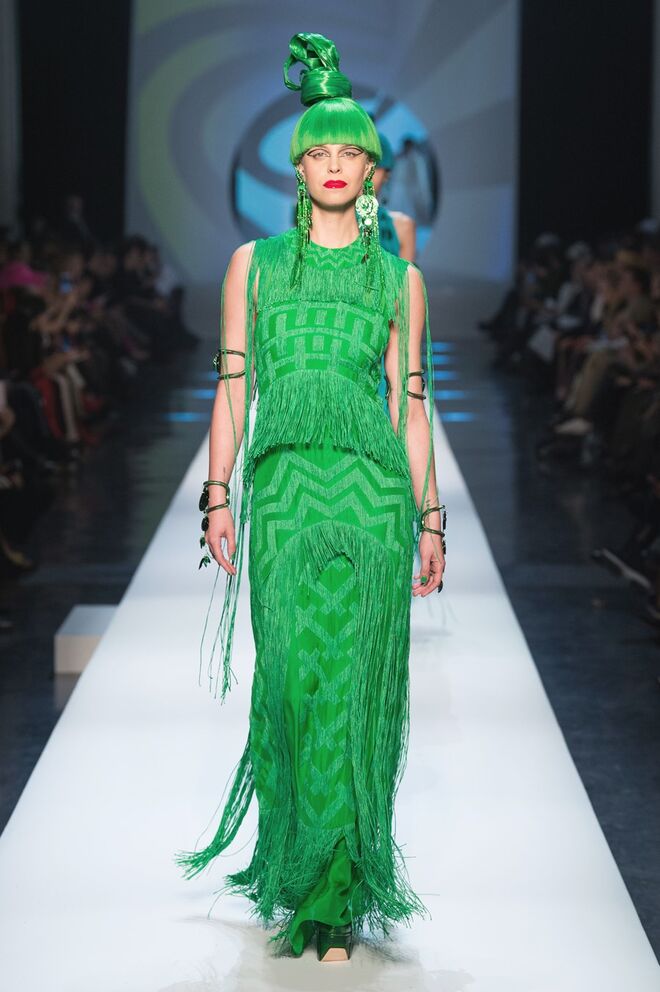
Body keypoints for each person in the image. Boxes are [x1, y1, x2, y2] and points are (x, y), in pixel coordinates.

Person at [175, 32, 446, 963]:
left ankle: (333, 896)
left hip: (373, 499)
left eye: (349, 153)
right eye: (318, 151)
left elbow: (411, 404)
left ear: (371, 171)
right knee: (292, 682)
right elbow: (233, 387)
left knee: (352, 689)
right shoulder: (252, 266)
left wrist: (430, 517)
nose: (333, 165)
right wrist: (217, 496)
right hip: (284, 491)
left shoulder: (400, 279)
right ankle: (296, 863)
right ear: (297, 168)